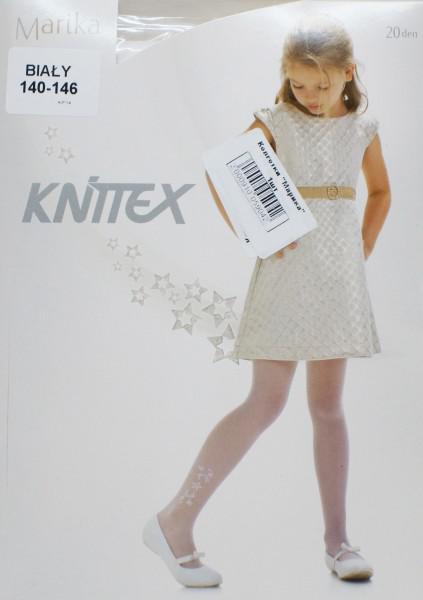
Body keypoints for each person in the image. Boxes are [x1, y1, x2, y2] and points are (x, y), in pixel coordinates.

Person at [142, 15, 391, 587]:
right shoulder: (276, 119)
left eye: (321, 84)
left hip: (338, 280)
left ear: (349, 72)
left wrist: (364, 244)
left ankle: (338, 542)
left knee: (328, 407)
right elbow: (224, 172)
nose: (310, 95)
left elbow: (381, 191)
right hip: (286, 274)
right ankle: (175, 519)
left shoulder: (363, 126)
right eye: (299, 84)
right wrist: (254, 232)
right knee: (265, 402)